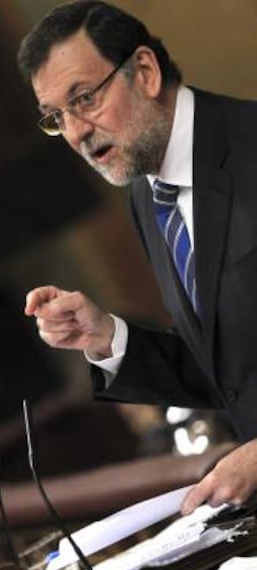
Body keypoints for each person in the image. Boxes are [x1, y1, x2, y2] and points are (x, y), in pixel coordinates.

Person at [17, 0, 257, 515]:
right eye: (57, 118)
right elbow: (232, 373)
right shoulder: (148, 198)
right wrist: (107, 337)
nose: (77, 132)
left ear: (144, 72)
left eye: (85, 99)